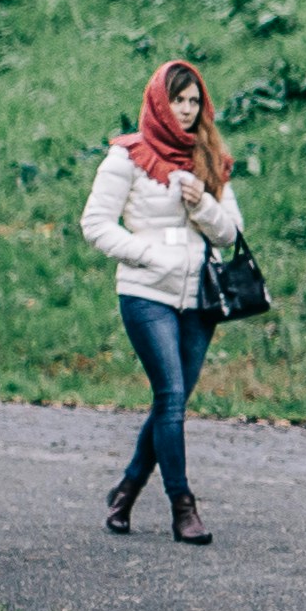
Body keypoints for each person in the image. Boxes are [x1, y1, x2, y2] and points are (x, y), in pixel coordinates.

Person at [82, 58, 248, 545]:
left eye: (195, 101)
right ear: (159, 101)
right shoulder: (126, 157)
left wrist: (204, 203)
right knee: (171, 397)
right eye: (178, 100)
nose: (187, 110)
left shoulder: (210, 158)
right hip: (145, 293)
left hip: (200, 297)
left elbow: (231, 234)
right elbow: (95, 225)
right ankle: (183, 507)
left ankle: (126, 491)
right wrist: (149, 256)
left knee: (168, 405)